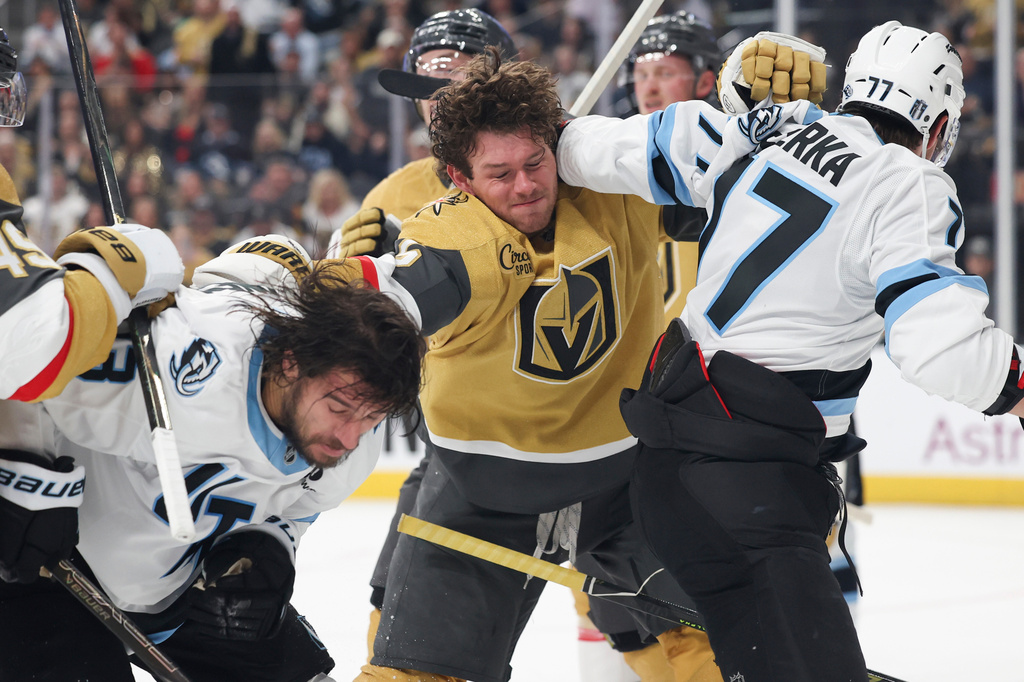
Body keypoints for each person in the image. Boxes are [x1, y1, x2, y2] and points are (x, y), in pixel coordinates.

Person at [555, 20, 1021, 682]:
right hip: (749, 494)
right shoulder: (907, 182)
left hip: (660, 472)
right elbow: (941, 349)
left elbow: (587, 151)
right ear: (939, 127)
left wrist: (535, 133)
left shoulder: (766, 127)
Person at [0, 39, 426, 677]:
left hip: (180, 601)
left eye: (368, 418)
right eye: (341, 407)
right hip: (64, 573)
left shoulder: (352, 437)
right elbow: (27, 363)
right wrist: (24, 475)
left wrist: (267, 551)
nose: (351, 434)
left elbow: (295, 509)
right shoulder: (178, 364)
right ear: (288, 361)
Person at [337, 48, 724, 682]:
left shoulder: (613, 187)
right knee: (413, 671)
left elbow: (728, 184)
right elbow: (405, 289)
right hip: (481, 489)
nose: (525, 186)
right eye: (500, 174)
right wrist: (347, 287)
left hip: (626, 476)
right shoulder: (449, 235)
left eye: (535, 162)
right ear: (459, 180)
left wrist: (754, 112)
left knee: (718, 655)